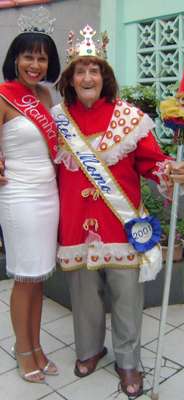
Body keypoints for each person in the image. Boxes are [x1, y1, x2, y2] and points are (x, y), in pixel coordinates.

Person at [52, 25, 184, 397]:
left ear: (105, 77)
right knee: (83, 298)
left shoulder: (129, 118)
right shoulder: (56, 120)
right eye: (80, 70)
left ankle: (129, 363)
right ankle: (90, 349)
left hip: (123, 227)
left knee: (127, 300)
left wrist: (172, 170)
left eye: (94, 70)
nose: (87, 77)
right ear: (70, 79)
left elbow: (152, 162)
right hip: (75, 229)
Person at [0, 7, 60, 383]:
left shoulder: (47, 95)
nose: (35, 64)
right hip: (19, 195)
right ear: (15, 59)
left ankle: (37, 345)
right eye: (28, 56)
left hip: (48, 192)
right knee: (25, 276)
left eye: (41, 57)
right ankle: (23, 349)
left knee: (39, 277)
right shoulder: (3, 96)